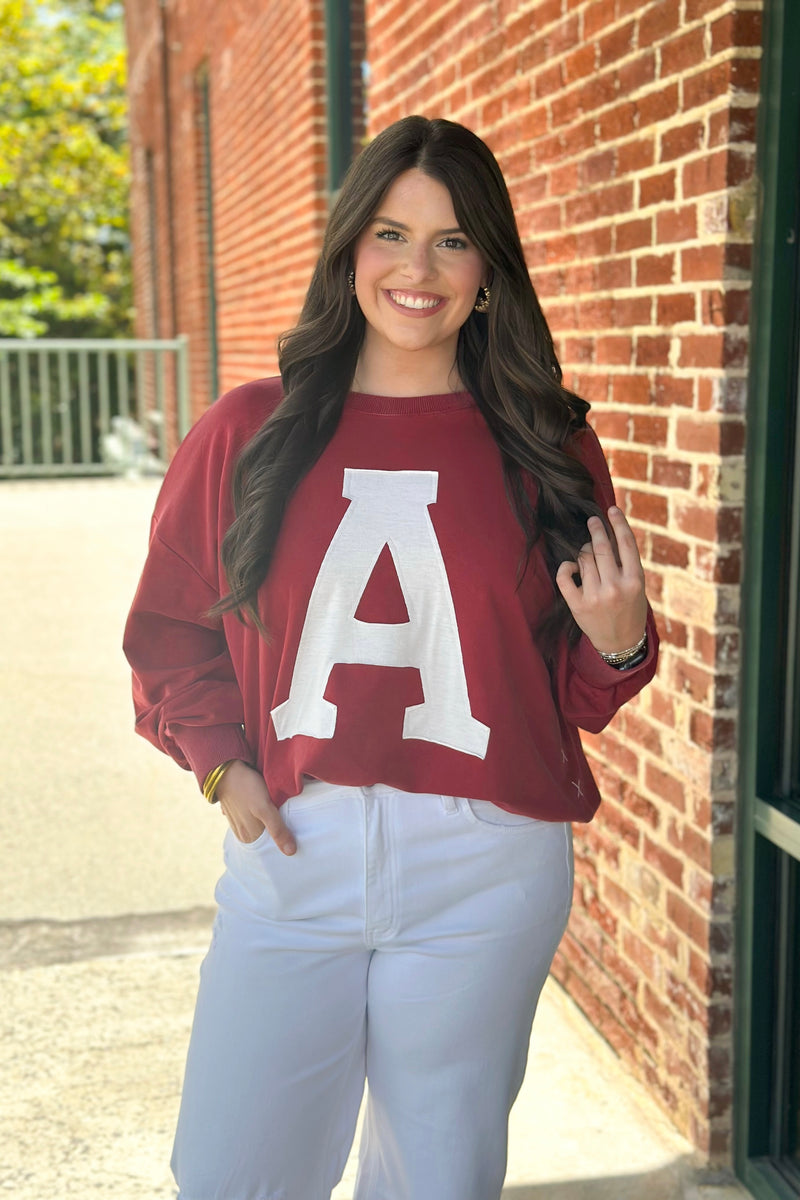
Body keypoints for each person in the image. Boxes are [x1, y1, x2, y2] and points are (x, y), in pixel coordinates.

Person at [124, 114, 658, 1200]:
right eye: (389, 233)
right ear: (347, 249)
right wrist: (220, 764)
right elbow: (170, 626)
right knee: (233, 1174)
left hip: (485, 864)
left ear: (488, 270)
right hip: (292, 849)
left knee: (435, 1181)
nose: (417, 269)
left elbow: (569, 686)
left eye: (452, 241)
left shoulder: (544, 444)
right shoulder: (248, 429)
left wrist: (618, 644)